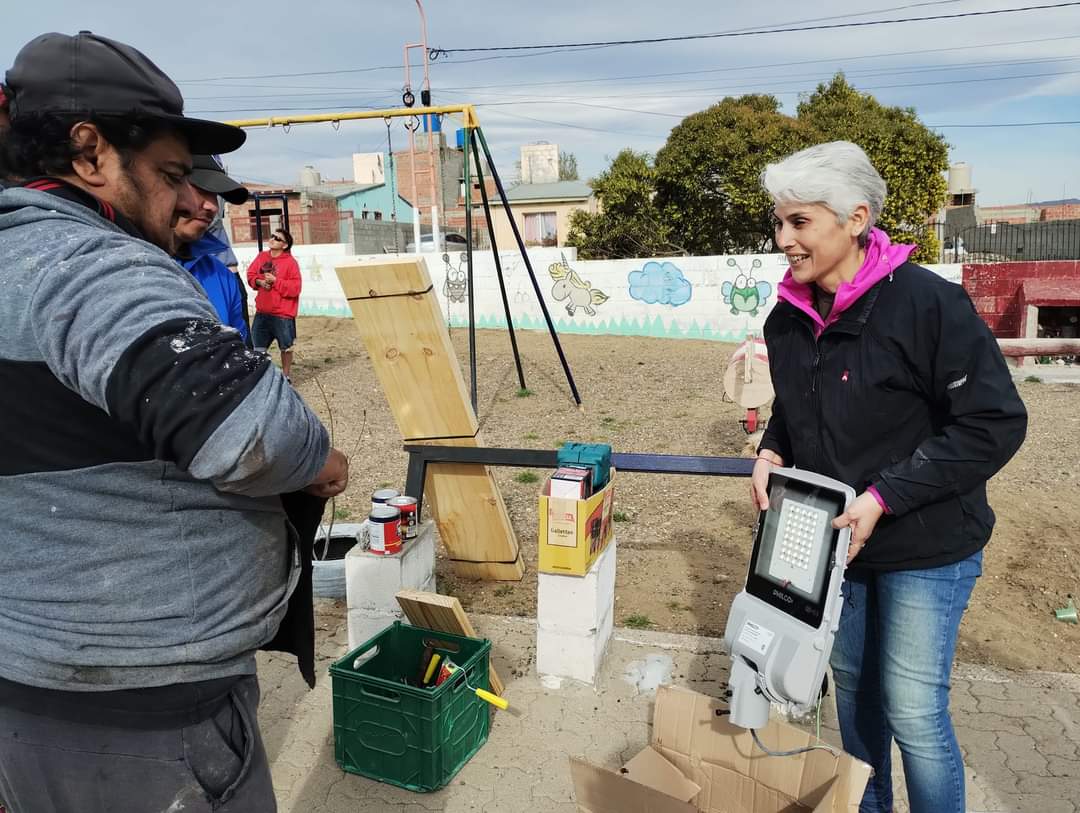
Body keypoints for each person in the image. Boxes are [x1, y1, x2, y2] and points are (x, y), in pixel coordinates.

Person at [0, 31, 349, 812]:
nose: (190, 200)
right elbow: (250, 432)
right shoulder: (88, 265)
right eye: (167, 175)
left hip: (34, 686)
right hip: (146, 719)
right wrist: (320, 455)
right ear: (90, 154)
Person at [750, 141, 1027, 813]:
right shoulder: (788, 317)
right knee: (852, 690)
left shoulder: (926, 305)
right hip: (841, 545)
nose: (783, 239)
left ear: (856, 218)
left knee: (912, 709)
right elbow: (797, 400)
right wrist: (771, 449)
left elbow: (995, 420)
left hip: (927, 544)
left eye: (800, 222)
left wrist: (885, 495)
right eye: (779, 222)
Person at [175, 154, 251, 342]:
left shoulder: (222, 277)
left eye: (215, 195)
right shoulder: (113, 270)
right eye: (199, 189)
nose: (212, 206)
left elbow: (242, 359)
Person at [247, 227, 301, 380]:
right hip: (262, 312)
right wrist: (259, 282)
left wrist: (276, 281)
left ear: (284, 245)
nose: (272, 239)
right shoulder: (261, 257)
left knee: (286, 348)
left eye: (277, 238)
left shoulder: (291, 263)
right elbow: (251, 274)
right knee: (258, 348)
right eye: (272, 236)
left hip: (282, 315)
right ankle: (262, 377)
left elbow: (295, 288)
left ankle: (286, 376)